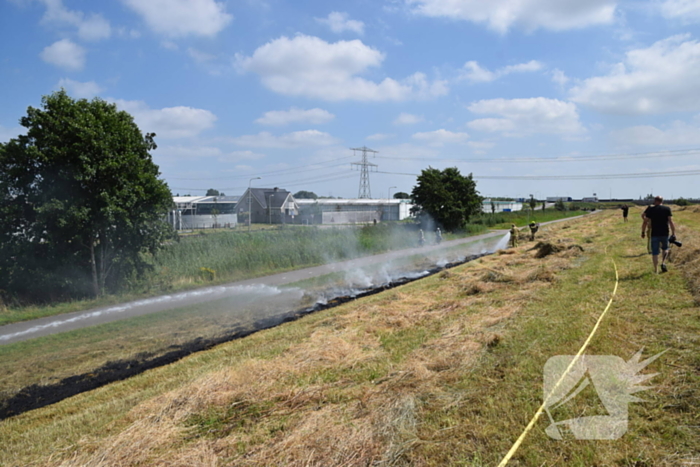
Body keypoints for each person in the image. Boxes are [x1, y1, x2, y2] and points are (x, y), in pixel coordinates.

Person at [641, 196, 676, 273]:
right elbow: (670, 221)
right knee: (665, 249)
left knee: (655, 252)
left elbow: (645, 221)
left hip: (654, 234)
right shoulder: (667, 209)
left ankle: (656, 270)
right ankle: (663, 263)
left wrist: (643, 232)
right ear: (662, 201)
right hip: (665, 233)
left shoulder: (651, 209)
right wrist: (673, 233)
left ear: (655, 201)